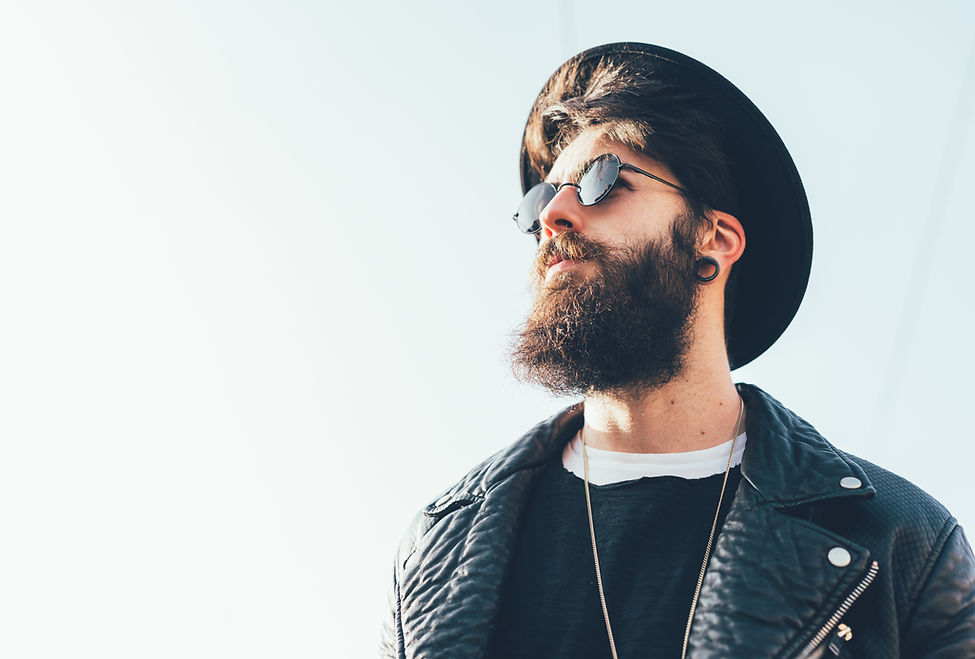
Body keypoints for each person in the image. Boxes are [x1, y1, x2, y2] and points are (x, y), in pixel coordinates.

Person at [380, 42, 975, 658]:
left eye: (600, 182)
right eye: (540, 201)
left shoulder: (902, 543)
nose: (553, 215)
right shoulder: (437, 554)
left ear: (714, 238)